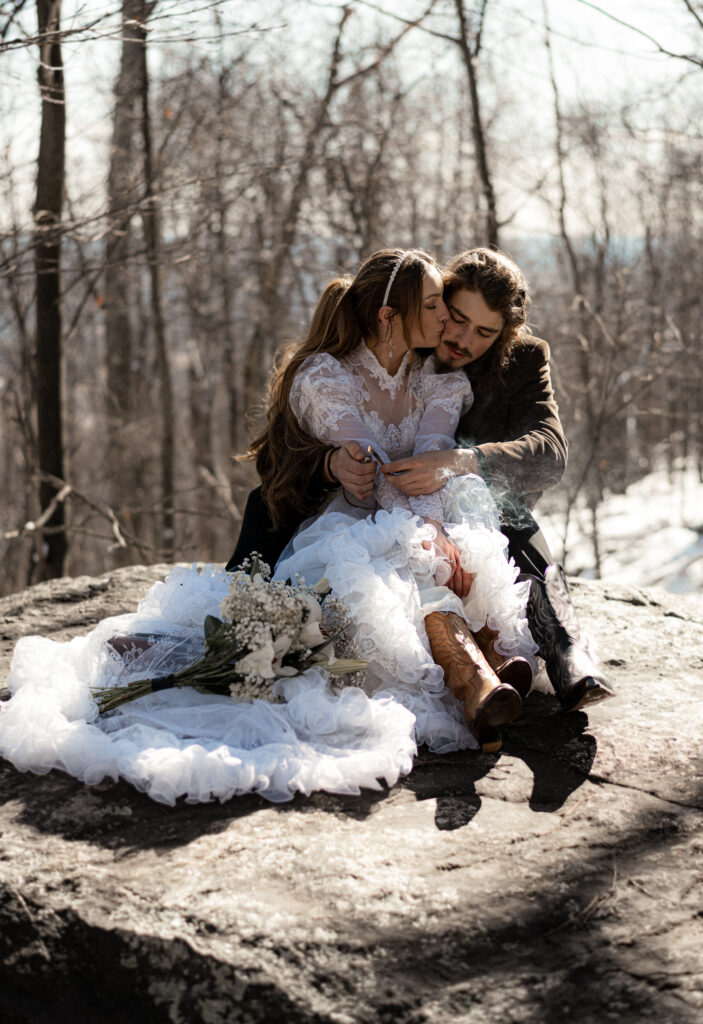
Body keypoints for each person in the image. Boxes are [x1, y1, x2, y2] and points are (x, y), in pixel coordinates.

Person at [227, 247, 614, 714]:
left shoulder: (519, 360)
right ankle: (471, 665)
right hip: (359, 503)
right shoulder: (383, 346)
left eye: (485, 333)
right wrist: (331, 464)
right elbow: (280, 458)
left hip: (473, 499)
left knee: (510, 519)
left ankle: (564, 651)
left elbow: (550, 452)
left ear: (505, 335)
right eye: (453, 316)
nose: (462, 338)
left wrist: (459, 462)